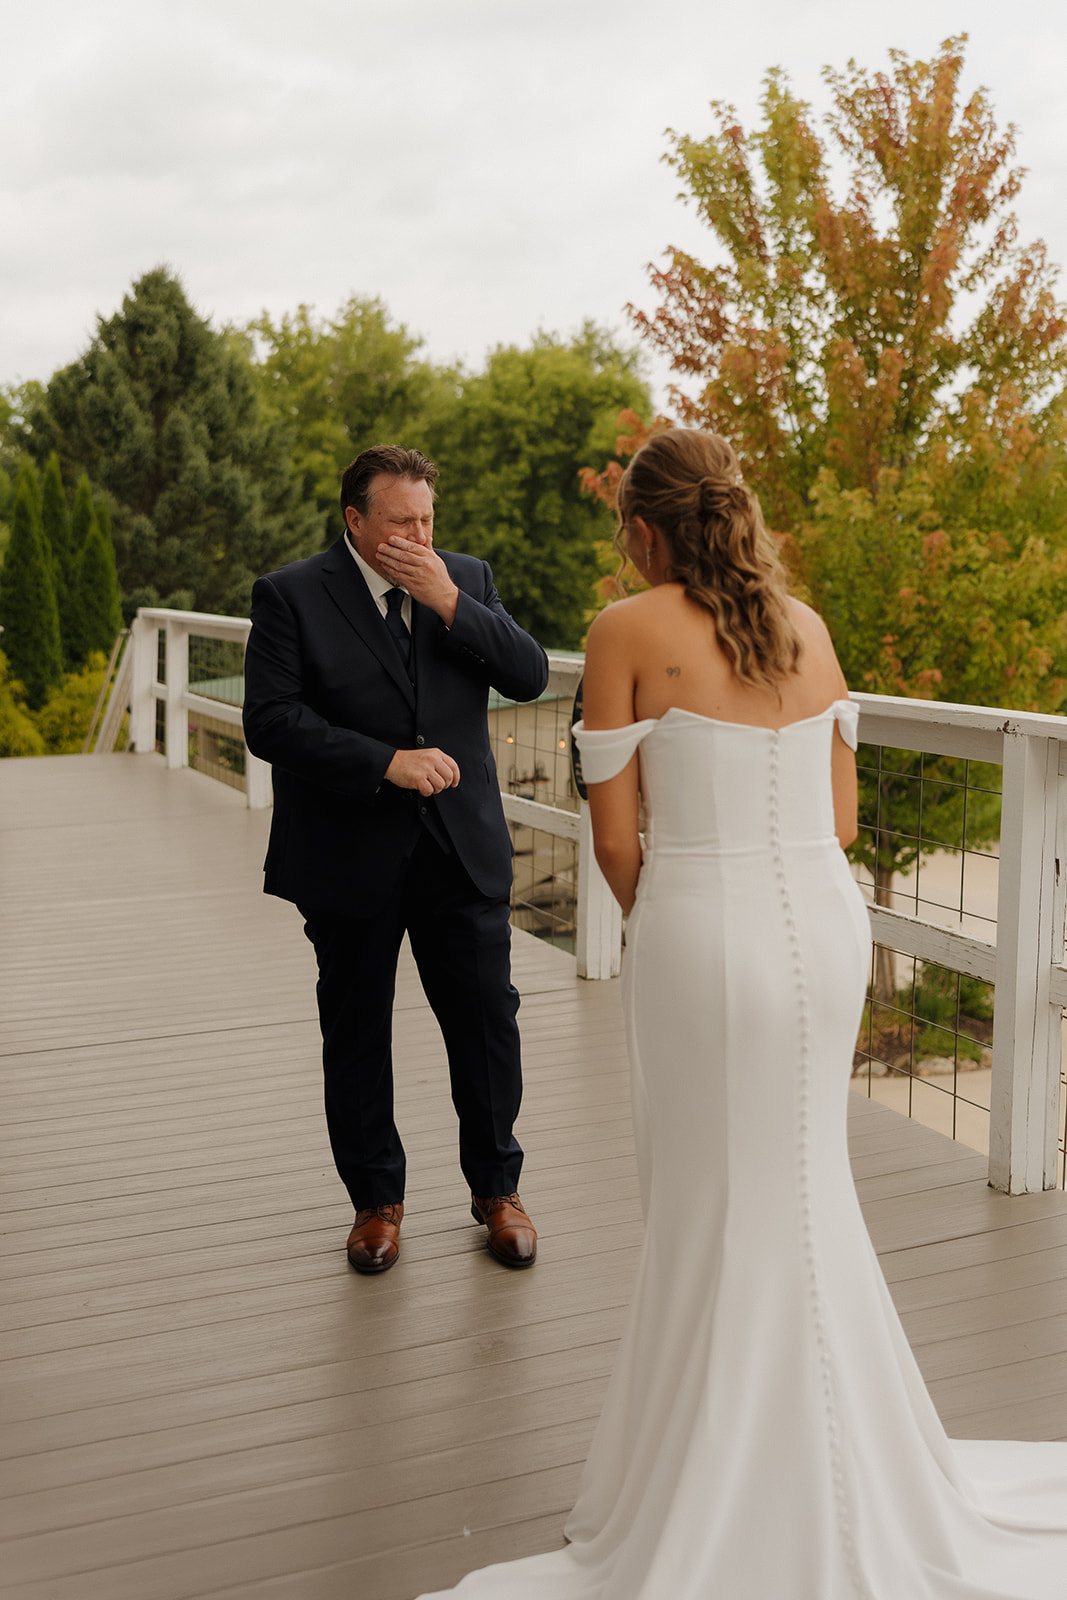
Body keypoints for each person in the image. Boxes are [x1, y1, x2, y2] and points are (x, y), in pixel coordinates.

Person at [417, 429, 1067, 1598]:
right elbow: (845, 823)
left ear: (645, 527)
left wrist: (672, 916)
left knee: (708, 1195)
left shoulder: (624, 630)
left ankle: (716, 1482)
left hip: (701, 930)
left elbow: (614, 843)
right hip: (823, 933)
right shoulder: (806, 626)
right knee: (803, 1190)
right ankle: (832, 1457)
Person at [243, 445, 548, 1274]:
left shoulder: (466, 579)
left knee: (488, 1020)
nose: (419, 534)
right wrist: (385, 762)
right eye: (400, 521)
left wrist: (448, 599)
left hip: (461, 849)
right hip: (348, 852)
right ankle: (375, 1204)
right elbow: (269, 722)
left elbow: (528, 674)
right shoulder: (291, 595)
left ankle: (497, 1191)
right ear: (354, 520)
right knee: (356, 1031)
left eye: (427, 520)